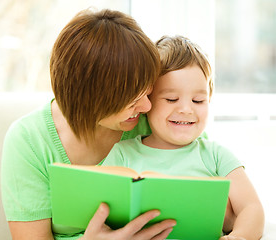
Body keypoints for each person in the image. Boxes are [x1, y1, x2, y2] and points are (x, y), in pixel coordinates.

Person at [1, 9, 177, 240]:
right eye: (133, 101)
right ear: (89, 99)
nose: (146, 107)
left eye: (148, 92)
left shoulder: (152, 120)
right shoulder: (29, 140)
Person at [103, 35, 265, 240]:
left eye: (198, 100)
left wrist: (238, 236)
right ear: (147, 102)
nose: (187, 109)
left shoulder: (216, 156)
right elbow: (100, 217)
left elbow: (251, 208)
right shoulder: (123, 153)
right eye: (172, 99)